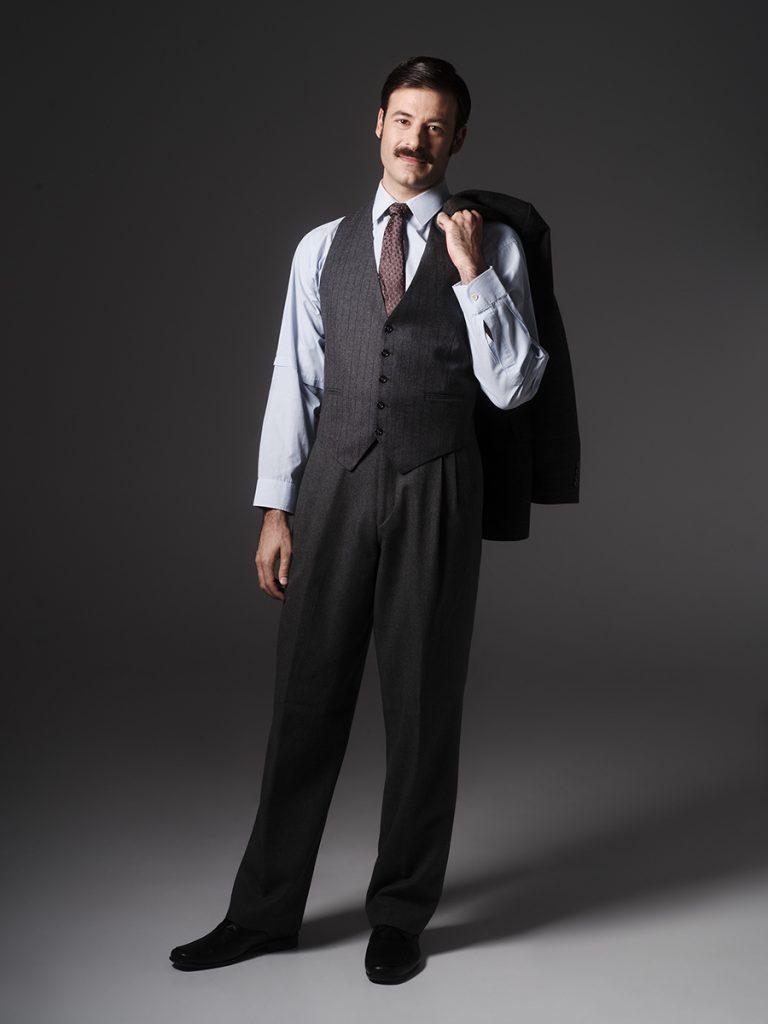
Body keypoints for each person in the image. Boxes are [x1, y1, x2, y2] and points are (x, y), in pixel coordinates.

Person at [170, 55, 556, 984]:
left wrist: (471, 272)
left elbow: (514, 387)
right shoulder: (320, 247)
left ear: (458, 138)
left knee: (423, 707)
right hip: (335, 485)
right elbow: (293, 379)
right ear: (377, 124)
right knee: (304, 700)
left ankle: (400, 915)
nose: (417, 140)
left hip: (438, 483)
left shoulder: (492, 243)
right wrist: (275, 507)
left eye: (436, 126)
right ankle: (264, 912)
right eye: (404, 120)